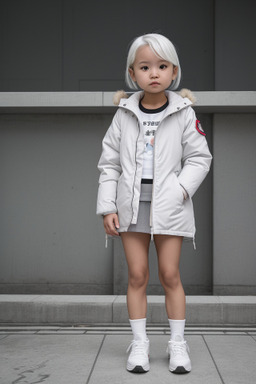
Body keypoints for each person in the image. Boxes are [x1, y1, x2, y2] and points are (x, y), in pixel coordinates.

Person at [96, 33, 212, 374]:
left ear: (174, 71)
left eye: (162, 66)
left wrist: (179, 191)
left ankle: (177, 345)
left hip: (169, 205)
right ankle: (140, 345)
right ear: (133, 74)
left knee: (170, 274)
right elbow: (109, 164)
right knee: (137, 275)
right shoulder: (124, 114)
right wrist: (108, 207)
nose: (154, 73)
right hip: (132, 208)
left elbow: (200, 158)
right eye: (145, 67)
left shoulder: (184, 112)